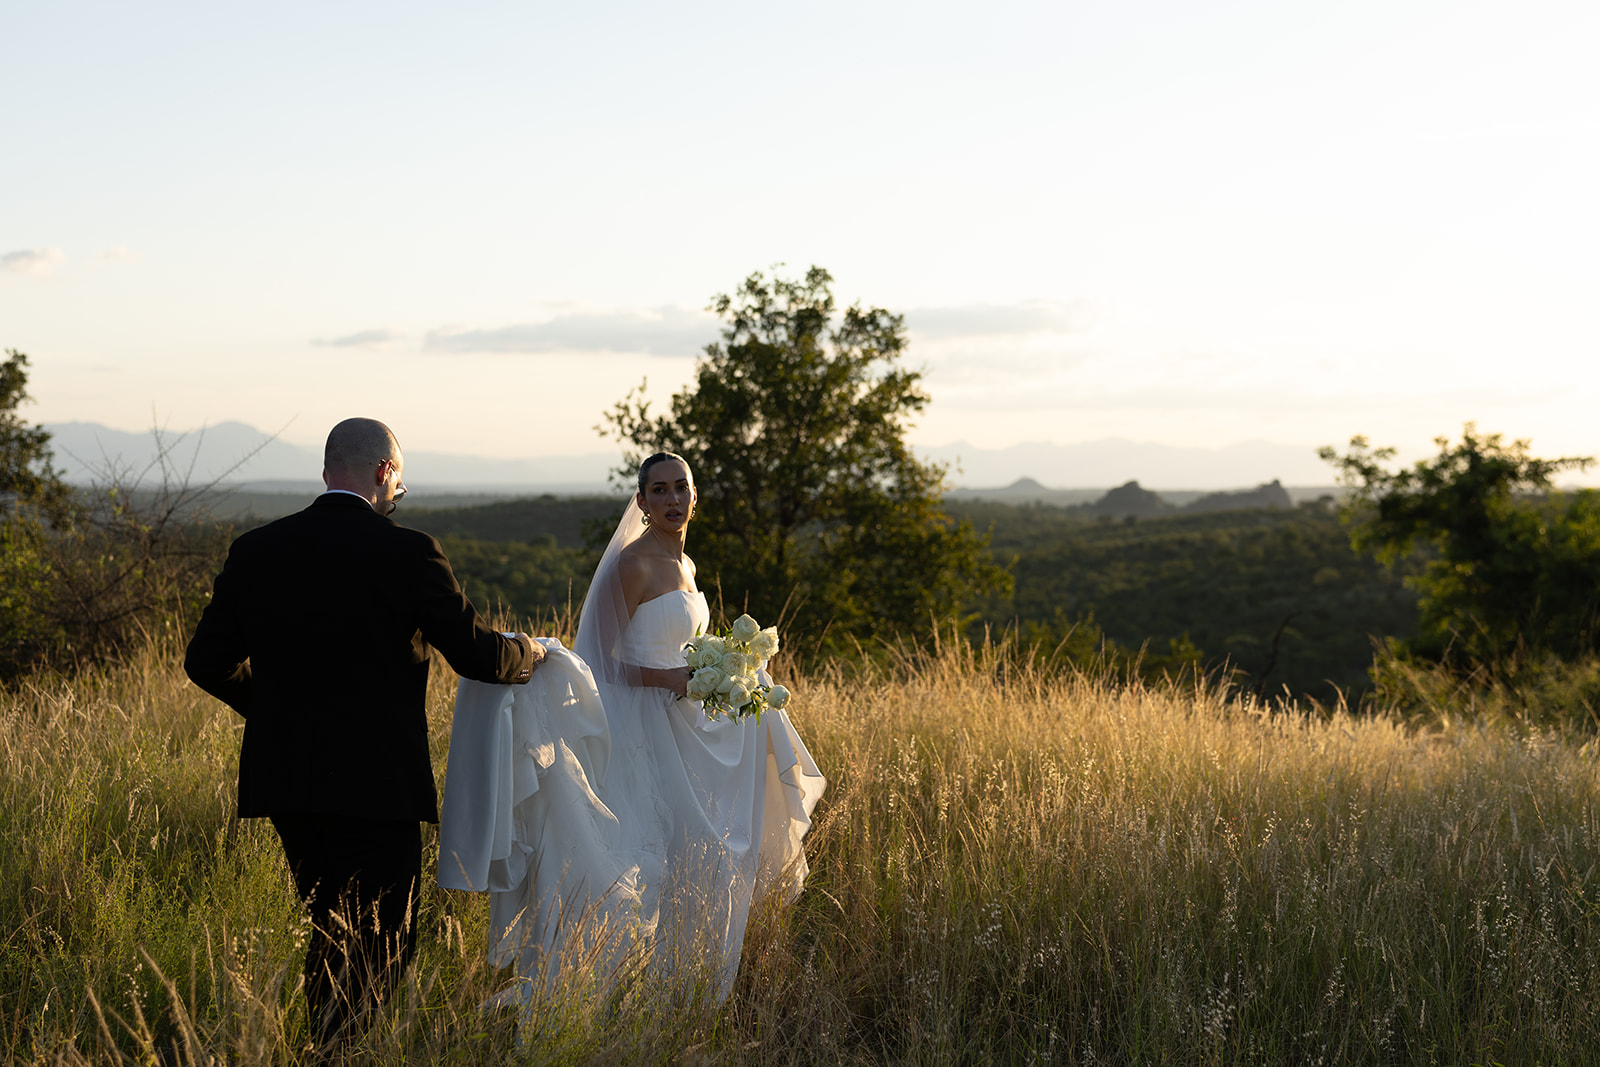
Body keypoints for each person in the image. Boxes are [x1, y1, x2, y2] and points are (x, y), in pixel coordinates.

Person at [183, 417, 544, 1052]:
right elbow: (477, 656)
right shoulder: (408, 552)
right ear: (384, 473)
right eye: (399, 481)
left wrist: (274, 713)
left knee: (328, 925)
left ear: (328, 471)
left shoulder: (257, 549)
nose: (398, 494)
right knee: (385, 940)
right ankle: (333, 1052)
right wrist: (529, 653)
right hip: (378, 783)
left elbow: (203, 662)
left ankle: (323, 1047)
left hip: (287, 778)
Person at [572, 451, 826, 998]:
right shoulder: (632, 564)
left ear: (694, 497)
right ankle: (626, 982)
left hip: (689, 720)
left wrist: (728, 673)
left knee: (704, 850)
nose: (670, 500)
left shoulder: (685, 565)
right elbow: (600, 661)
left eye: (679, 488)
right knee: (656, 852)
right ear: (640, 501)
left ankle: (686, 981)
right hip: (644, 721)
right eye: (657, 490)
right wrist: (668, 680)